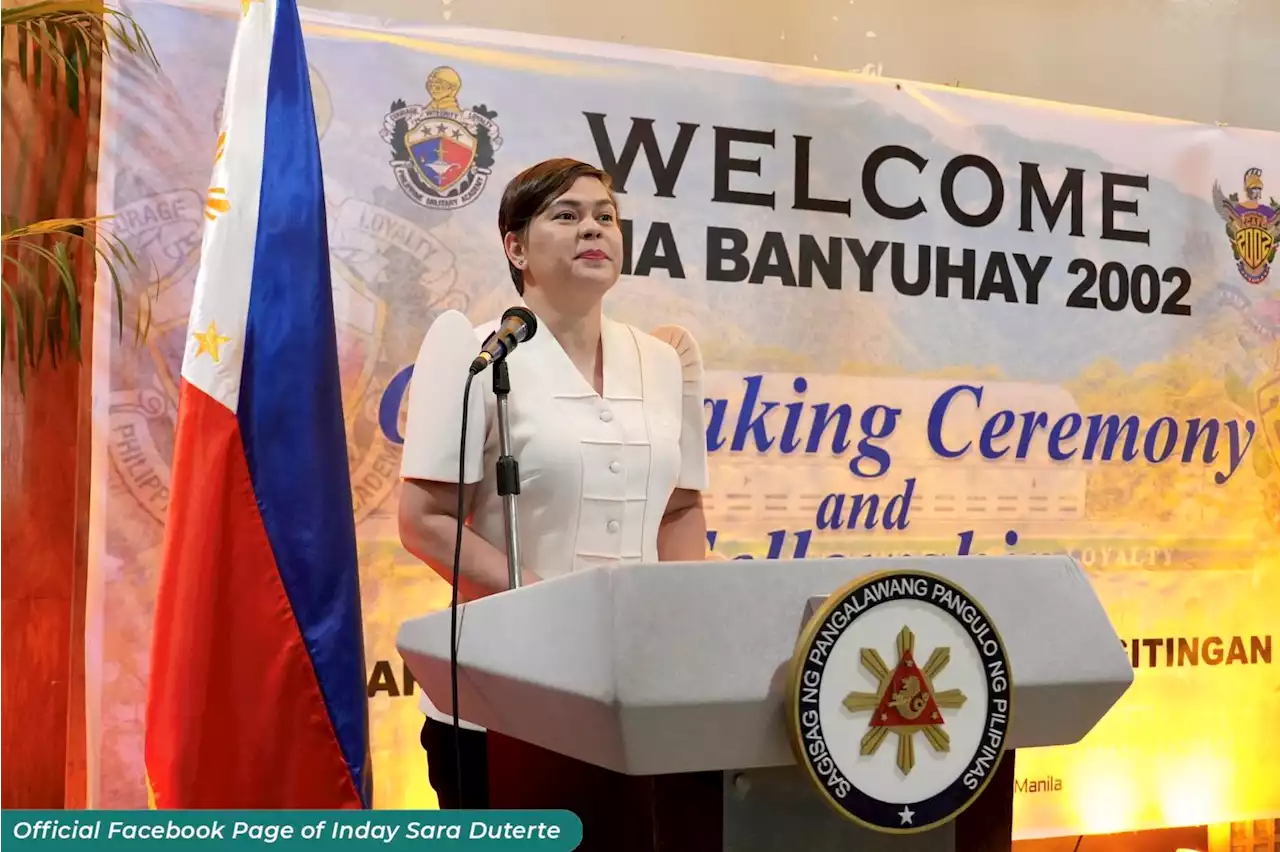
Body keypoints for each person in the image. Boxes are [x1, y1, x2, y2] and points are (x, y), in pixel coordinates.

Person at [397, 157, 711, 810]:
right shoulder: (476, 353)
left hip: (634, 691)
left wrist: (680, 625)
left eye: (606, 217)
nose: (592, 229)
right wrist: (546, 607)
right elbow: (424, 520)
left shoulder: (663, 359)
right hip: (497, 696)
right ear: (516, 247)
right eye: (566, 216)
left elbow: (680, 508)